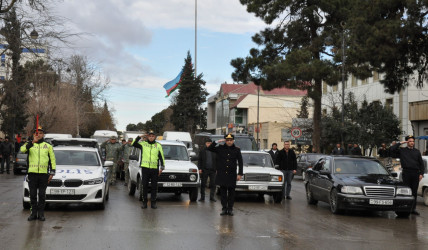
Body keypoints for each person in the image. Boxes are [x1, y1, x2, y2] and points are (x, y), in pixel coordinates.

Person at [21, 126, 56, 221]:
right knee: (32, 195)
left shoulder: (48, 145)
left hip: (44, 175)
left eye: (40, 133)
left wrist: (52, 172)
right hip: (32, 174)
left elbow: (52, 160)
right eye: (37, 133)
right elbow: (22, 150)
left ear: (43, 134)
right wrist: (32, 142)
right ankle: (33, 213)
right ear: (34, 134)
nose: (39, 135)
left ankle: (41, 214)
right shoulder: (29, 144)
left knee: (41, 195)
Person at [207, 133, 243, 216]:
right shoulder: (220, 148)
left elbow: (240, 162)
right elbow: (210, 148)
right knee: (223, 193)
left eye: (231, 140)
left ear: (233, 141)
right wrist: (217, 141)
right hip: (222, 174)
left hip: (232, 175)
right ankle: (224, 208)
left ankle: (230, 209)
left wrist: (240, 174)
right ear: (225, 141)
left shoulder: (237, 150)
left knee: (231, 193)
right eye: (227, 140)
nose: (229, 142)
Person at [390, 135, 424, 215]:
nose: (412, 143)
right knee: (406, 191)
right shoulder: (402, 150)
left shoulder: (417, 151)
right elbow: (391, 149)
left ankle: (413, 209)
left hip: (415, 173)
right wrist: (400, 143)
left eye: (413, 141)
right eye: (410, 141)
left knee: (414, 192)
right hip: (406, 173)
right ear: (407, 142)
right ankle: (406, 208)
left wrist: (421, 173)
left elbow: (421, 164)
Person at [132, 130, 165, 209]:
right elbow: (133, 143)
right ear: (147, 137)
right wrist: (140, 136)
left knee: (154, 186)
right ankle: (144, 203)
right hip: (145, 168)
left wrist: (162, 167)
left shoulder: (158, 145)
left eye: (152, 136)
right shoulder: (143, 144)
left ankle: (153, 203)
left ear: (155, 137)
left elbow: (161, 157)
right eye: (149, 136)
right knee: (144, 186)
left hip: (154, 169)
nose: (151, 137)